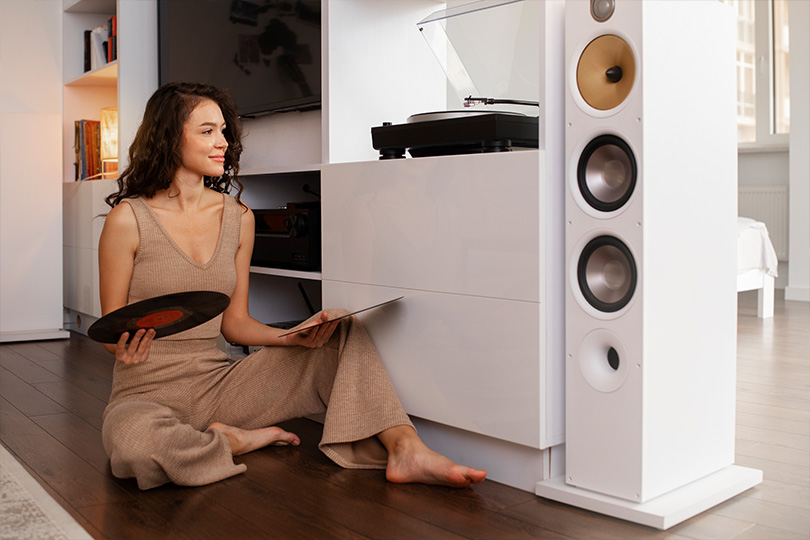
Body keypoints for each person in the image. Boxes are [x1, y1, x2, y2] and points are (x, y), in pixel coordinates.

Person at [98, 81, 487, 491]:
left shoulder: (238, 217)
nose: (223, 143)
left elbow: (235, 323)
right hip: (145, 394)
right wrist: (122, 344)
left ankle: (407, 449)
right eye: (207, 131)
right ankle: (232, 441)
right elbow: (110, 332)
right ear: (168, 137)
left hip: (218, 388)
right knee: (136, 449)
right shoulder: (129, 219)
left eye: (224, 131)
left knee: (340, 328)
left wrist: (291, 337)